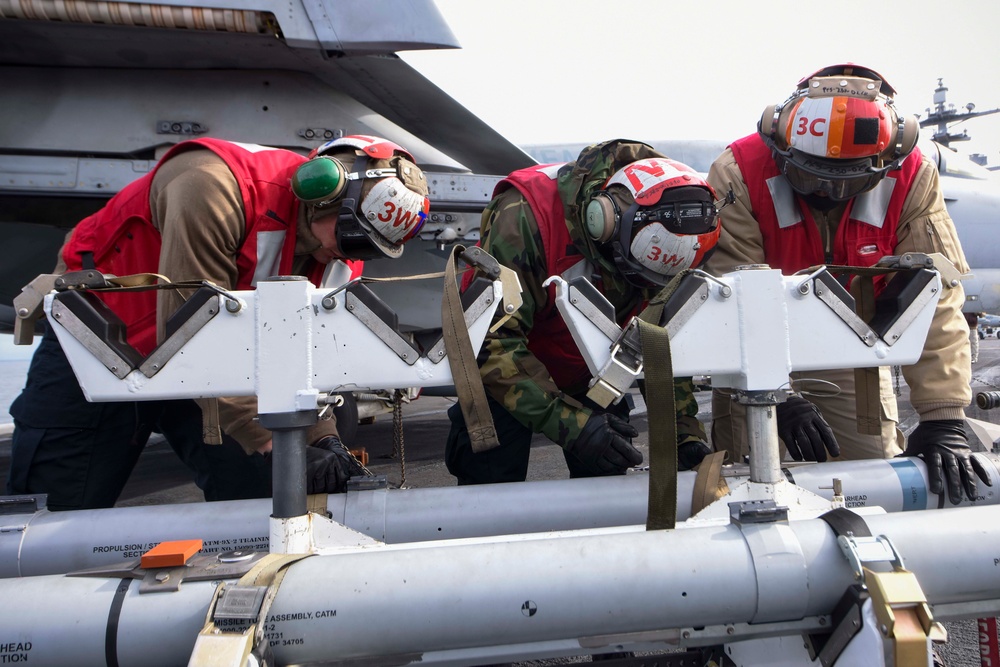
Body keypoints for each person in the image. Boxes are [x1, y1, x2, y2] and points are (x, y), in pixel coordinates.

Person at [7, 134, 430, 510]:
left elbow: (307, 355)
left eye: (365, 248)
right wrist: (273, 443)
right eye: (350, 238)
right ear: (322, 191)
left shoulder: (340, 250)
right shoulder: (211, 185)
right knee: (55, 505)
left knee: (263, 499)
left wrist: (324, 439)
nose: (347, 255)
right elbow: (190, 330)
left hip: (216, 357)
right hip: (103, 340)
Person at [704, 63, 989, 504]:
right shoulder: (738, 172)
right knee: (754, 486)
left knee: (880, 485)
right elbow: (728, 296)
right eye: (813, 177)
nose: (828, 194)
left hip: (854, 347)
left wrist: (943, 417)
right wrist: (775, 392)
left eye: (844, 182)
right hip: (756, 352)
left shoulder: (911, 176)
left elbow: (933, 297)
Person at [446, 139, 721, 484]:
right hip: (509, 372)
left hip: (594, 372)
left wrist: (684, 433)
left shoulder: (677, 232)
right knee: (486, 495)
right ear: (601, 223)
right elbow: (489, 340)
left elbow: (659, 334)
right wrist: (574, 427)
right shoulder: (525, 216)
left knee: (607, 486)